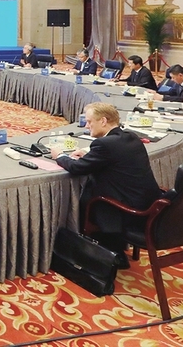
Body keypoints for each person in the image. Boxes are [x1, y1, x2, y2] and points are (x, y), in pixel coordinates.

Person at [51, 102, 162, 267]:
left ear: (103, 121)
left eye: (90, 122)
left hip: (124, 210)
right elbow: (113, 156)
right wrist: (89, 154)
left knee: (87, 196)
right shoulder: (131, 137)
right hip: (146, 203)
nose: (87, 126)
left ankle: (99, 253)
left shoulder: (103, 145)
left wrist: (60, 156)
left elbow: (77, 168)